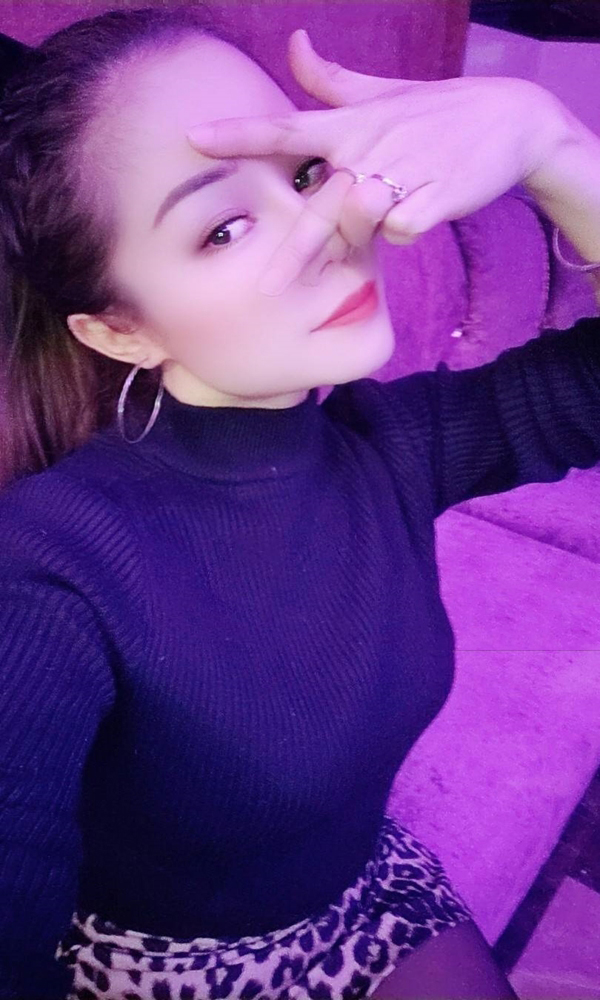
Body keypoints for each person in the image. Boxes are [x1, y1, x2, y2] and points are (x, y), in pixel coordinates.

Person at [0, 5, 598, 999]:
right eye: (223, 226)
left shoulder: (394, 448)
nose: (325, 235)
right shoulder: (49, 562)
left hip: (367, 887)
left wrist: (555, 143)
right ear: (119, 330)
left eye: (307, 173)